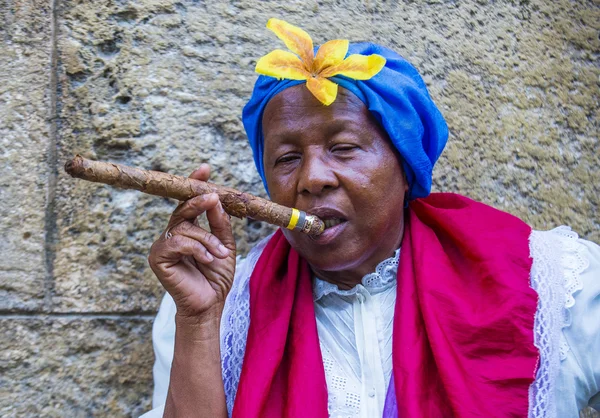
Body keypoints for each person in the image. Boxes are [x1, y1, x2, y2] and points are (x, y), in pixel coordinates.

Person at [141, 19, 600, 418]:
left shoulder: (553, 285)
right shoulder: (213, 308)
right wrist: (199, 324)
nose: (312, 178)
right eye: (285, 158)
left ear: (404, 167)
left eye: (344, 148)